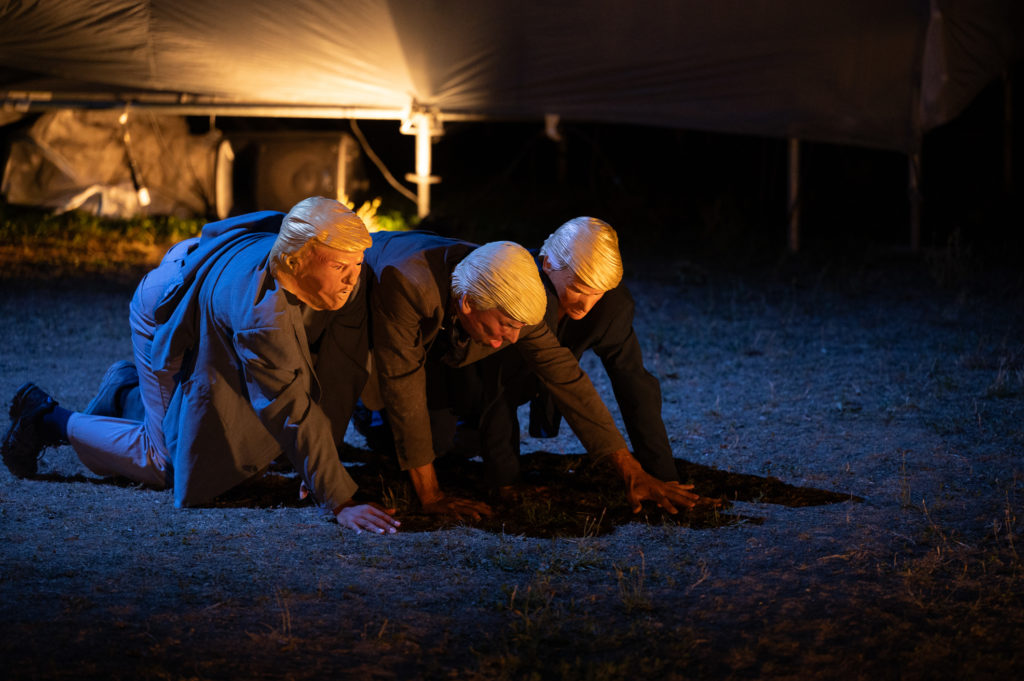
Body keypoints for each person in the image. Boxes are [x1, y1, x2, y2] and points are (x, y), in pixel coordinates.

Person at [1, 197, 400, 535]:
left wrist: (322, 460)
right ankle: (49, 419)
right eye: (340, 268)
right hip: (167, 307)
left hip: (202, 277)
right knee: (168, 461)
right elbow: (288, 406)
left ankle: (127, 392)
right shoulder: (261, 315)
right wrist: (339, 499)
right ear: (296, 261)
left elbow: (343, 366)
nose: (352, 280)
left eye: (357, 266)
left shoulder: (330, 264)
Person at [362, 229, 702, 519]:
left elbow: (567, 379)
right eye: (507, 326)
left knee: (444, 440)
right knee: (393, 417)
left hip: (441, 332)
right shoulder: (409, 284)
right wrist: (431, 496)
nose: (513, 339)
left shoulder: (517, 298)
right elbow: (403, 382)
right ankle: (366, 413)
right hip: (367, 295)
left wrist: (631, 471)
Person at [468, 216, 691, 492]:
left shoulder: (611, 306)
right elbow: (496, 385)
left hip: (531, 379)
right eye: (577, 288)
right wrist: (505, 482)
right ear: (547, 263)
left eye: (596, 293)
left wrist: (664, 476)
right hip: (466, 376)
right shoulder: (518, 288)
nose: (585, 305)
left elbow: (634, 383)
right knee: (455, 440)